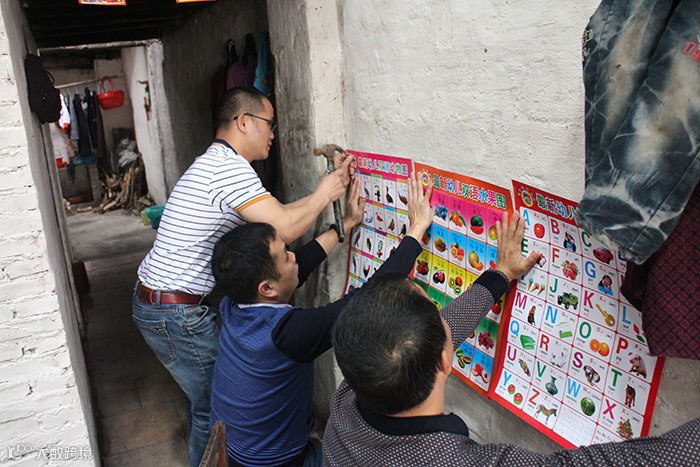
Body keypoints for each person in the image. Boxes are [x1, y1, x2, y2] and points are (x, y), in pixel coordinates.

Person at [324, 215, 700, 465]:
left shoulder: (355, 387)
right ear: (443, 360)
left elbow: (434, 334)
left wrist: (500, 274)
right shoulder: (454, 461)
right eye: (435, 313)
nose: (444, 318)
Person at [132, 87, 352, 467]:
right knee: (212, 413)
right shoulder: (227, 169)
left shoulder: (221, 163)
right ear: (244, 122)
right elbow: (285, 228)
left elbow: (279, 214)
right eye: (269, 124)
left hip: (165, 302)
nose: (273, 134)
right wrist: (325, 192)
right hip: (174, 310)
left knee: (205, 401)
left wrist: (335, 212)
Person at [208, 173, 433, 466]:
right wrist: (416, 231)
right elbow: (365, 300)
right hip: (266, 461)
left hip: (229, 444)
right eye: (285, 254)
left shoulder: (234, 301)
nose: (293, 255)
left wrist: (345, 225)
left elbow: (298, 267)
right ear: (266, 289)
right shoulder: (289, 333)